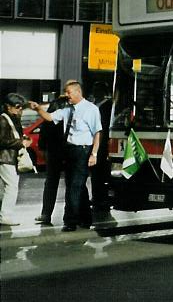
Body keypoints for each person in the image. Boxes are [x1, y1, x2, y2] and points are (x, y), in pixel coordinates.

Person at [30, 80, 103, 232]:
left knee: (74, 186)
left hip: (83, 150)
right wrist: (38, 109)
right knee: (76, 185)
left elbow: (97, 132)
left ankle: (70, 220)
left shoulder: (91, 109)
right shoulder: (68, 109)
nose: (66, 95)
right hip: (69, 150)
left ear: (78, 92)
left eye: (69, 92)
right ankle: (86, 217)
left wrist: (94, 154)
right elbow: (50, 117)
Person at [0, 93, 34, 227]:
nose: (20, 110)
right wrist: (21, 143)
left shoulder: (12, 118)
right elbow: (2, 140)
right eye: (18, 107)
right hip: (5, 157)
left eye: (22, 107)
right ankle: (5, 216)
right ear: (9, 107)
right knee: (12, 186)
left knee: (8, 186)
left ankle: (4, 214)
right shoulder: (3, 119)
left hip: (8, 157)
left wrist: (23, 140)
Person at [33, 95, 67, 225]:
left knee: (51, 182)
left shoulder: (54, 107)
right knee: (72, 183)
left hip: (53, 149)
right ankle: (73, 213)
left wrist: (42, 146)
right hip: (67, 148)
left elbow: (45, 129)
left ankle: (46, 213)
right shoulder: (71, 108)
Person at [89, 81, 112, 212]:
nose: (96, 92)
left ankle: (102, 198)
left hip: (102, 145)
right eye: (95, 89)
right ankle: (96, 196)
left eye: (99, 90)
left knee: (101, 173)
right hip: (92, 143)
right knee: (94, 173)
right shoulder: (93, 105)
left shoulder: (107, 106)